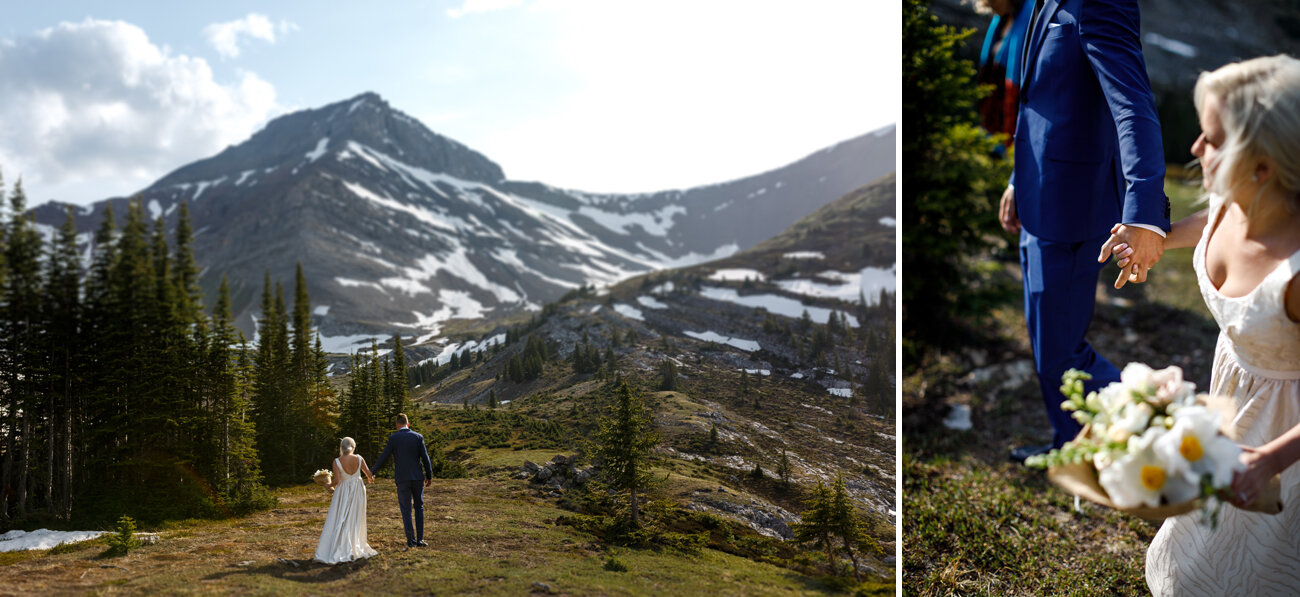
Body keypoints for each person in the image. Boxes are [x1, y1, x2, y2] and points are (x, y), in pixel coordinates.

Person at [1110, 55, 1300, 596]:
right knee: (1205, 545)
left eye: (1212, 140)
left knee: (1267, 560)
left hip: (1287, 438)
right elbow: (1209, 222)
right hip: (1235, 399)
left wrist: (1271, 459)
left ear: (1263, 166)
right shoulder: (1237, 199)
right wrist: (1155, 238)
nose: (1194, 149)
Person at [1000, 0, 1171, 462]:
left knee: (1062, 354)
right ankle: (1072, 444)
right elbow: (1040, 96)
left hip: (1074, 205)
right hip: (1036, 196)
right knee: (1046, 348)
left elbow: (1132, 106)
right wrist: (1019, 177)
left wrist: (1144, 213)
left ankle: (1166, 425)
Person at [370, 413, 434, 548]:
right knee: (419, 507)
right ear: (408, 424)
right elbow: (425, 457)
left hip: (402, 478)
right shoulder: (418, 437)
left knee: (406, 510)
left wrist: (372, 472)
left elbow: (384, 456)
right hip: (417, 477)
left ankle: (411, 541)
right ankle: (421, 539)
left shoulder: (394, 438)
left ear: (397, 425)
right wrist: (429, 476)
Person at [974, 0, 1034, 142]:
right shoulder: (1000, 20)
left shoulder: (1030, 17)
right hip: (993, 102)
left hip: (1013, 101)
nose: (991, 9)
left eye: (992, 4)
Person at [313, 436, 378, 564]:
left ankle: (341, 545)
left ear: (341, 448)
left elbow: (336, 481)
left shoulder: (337, 461)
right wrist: (371, 479)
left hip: (343, 491)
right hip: (358, 489)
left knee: (341, 517)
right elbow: (368, 473)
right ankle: (354, 544)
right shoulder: (359, 458)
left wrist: (327, 485)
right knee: (355, 517)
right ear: (353, 447)